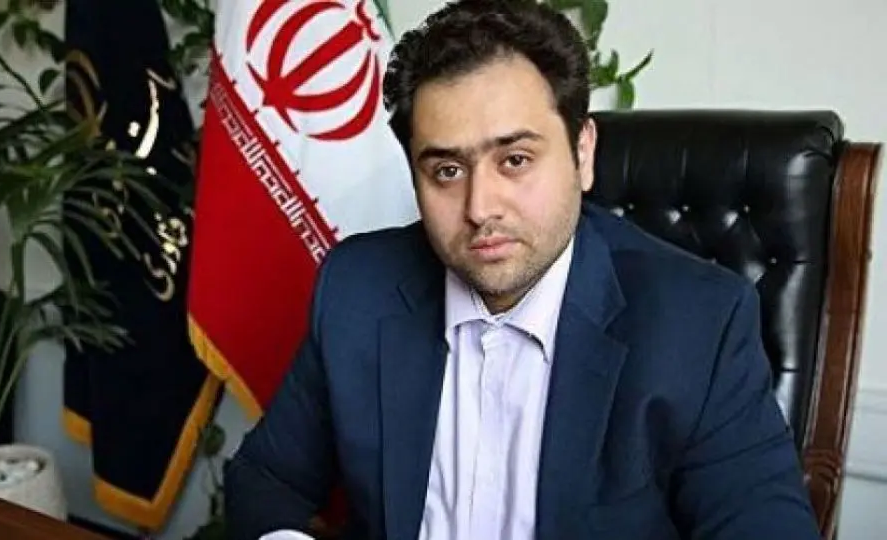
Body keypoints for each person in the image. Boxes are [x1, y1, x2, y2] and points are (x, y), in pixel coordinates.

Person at [224, 0, 822, 538]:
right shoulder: (359, 287)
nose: (480, 208)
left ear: (582, 153)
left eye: (514, 159)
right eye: (446, 171)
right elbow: (265, 481)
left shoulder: (698, 324)